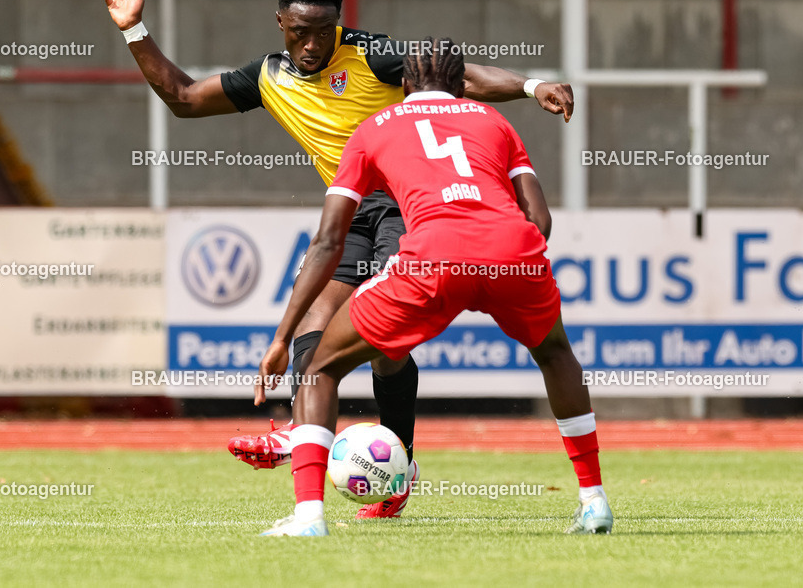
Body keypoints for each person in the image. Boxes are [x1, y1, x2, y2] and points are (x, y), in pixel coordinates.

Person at [101, 0, 574, 519]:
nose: (311, 44)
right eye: (300, 31)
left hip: (409, 206)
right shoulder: (268, 77)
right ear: (280, 23)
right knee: (312, 327)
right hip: (348, 211)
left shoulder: (371, 56)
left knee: (387, 345)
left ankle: (400, 463)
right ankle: (307, 441)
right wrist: (134, 30)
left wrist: (531, 84)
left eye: (323, 32)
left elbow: (461, 77)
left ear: (338, 24)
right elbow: (183, 98)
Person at [254, 38, 612, 537]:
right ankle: (594, 502)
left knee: (321, 367)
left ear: (402, 83)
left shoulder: (372, 128)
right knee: (555, 354)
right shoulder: (495, 121)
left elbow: (329, 240)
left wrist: (280, 336)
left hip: (432, 260)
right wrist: (505, 264)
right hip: (513, 252)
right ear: (462, 83)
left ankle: (309, 517)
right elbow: (540, 218)